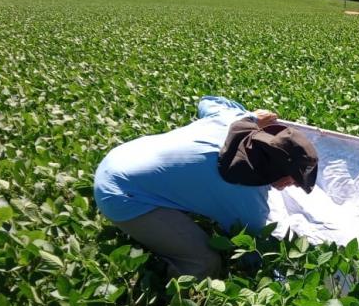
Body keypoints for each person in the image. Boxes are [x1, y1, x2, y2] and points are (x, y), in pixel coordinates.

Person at [93, 96, 318, 278]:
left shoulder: (235, 120)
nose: (292, 186)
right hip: (119, 193)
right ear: (272, 169)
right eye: (291, 180)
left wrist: (251, 116)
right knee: (204, 261)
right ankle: (172, 303)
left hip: (123, 155)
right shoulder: (244, 191)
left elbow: (206, 101)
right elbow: (252, 246)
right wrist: (279, 274)